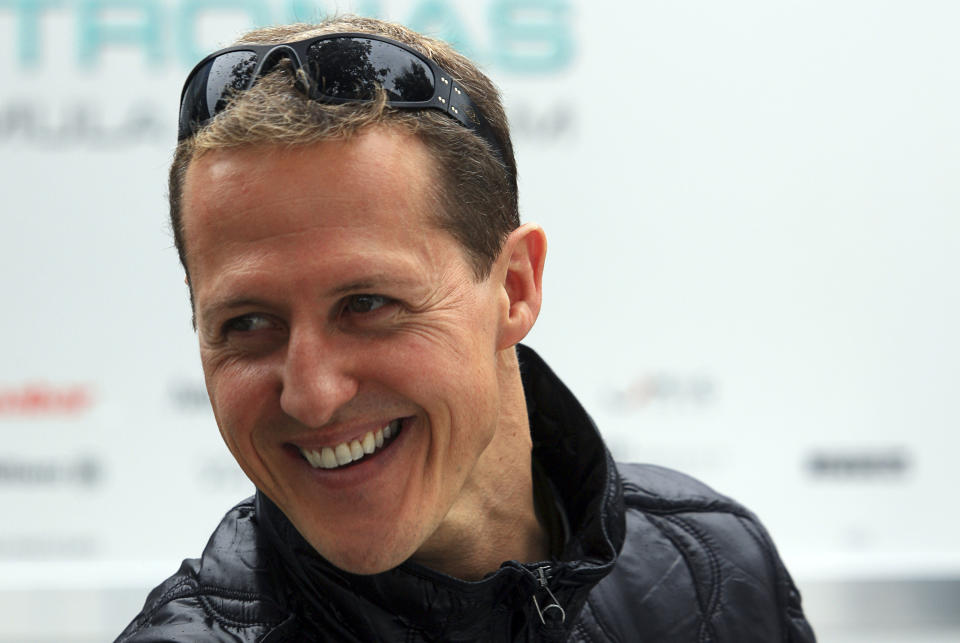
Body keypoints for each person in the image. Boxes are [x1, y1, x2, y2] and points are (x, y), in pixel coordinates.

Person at [117, 15, 815, 642]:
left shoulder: (715, 566)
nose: (311, 395)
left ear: (515, 286)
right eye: (247, 322)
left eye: (366, 304)